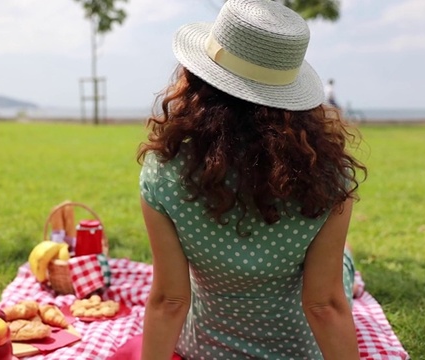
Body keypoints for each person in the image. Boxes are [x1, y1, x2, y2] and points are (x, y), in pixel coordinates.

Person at [137, 1, 367, 359]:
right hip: (299, 351)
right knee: (341, 265)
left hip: (206, 350)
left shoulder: (163, 172)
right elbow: (325, 306)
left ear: (197, 80)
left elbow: (170, 300)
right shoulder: (329, 176)